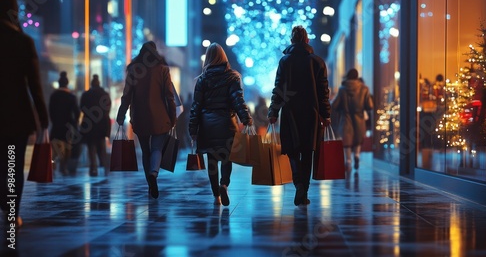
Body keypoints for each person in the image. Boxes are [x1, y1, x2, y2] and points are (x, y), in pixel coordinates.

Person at [0, 0, 49, 228]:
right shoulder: (23, 41)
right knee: (13, 165)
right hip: (16, 116)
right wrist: (43, 115)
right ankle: (11, 212)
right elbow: (34, 84)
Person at [268, 25, 331, 206]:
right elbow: (323, 92)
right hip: (311, 113)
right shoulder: (317, 62)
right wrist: (326, 114)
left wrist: (273, 111)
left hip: (290, 112)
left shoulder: (285, 62)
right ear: (307, 40)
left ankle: (298, 186)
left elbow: (279, 89)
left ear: (291, 40)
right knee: (308, 151)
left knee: (292, 151)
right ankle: (304, 191)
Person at [189, 42, 253, 206]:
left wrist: (193, 129)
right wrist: (245, 117)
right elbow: (237, 99)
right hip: (226, 123)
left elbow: (196, 106)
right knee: (226, 158)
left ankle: (216, 195)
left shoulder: (202, 80)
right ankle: (224, 184)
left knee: (212, 160)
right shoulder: (232, 77)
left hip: (207, 125)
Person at [116, 41, 176, 199]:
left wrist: (121, 114)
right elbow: (169, 96)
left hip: (140, 116)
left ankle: (150, 186)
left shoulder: (134, 70)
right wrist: (172, 117)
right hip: (160, 117)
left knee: (145, 151)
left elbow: (127, 95)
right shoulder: (163, 70)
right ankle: (153, 174)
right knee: (157, 148)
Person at [331, 68, 374, 169]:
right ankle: (357, 155)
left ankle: (349, 161)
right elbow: (370, 106)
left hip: (346, 118)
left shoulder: (342, 89)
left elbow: (335, 105)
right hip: (359, 118)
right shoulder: (364, 89)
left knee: (347, 141)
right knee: (358, 139)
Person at [49, 71, 80, 176]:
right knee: (67, 147)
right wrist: (75, 123)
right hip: (68, 125)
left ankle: (52, 166)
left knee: (54, 148)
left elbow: (50, 111)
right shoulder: (71, 96)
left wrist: (53, 120)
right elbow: (77, 112)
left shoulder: (54, 96)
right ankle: (64, 167)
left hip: (56, 125)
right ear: (67, 83)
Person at [80, 74, 111, 176]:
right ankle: (104, 166)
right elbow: (107, 109)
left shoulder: (86, 95)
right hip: (102, 124)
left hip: (89, 124)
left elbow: (82, 107)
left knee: (91, 147)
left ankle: (93, 167)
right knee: (101, 146)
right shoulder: (105, 94)